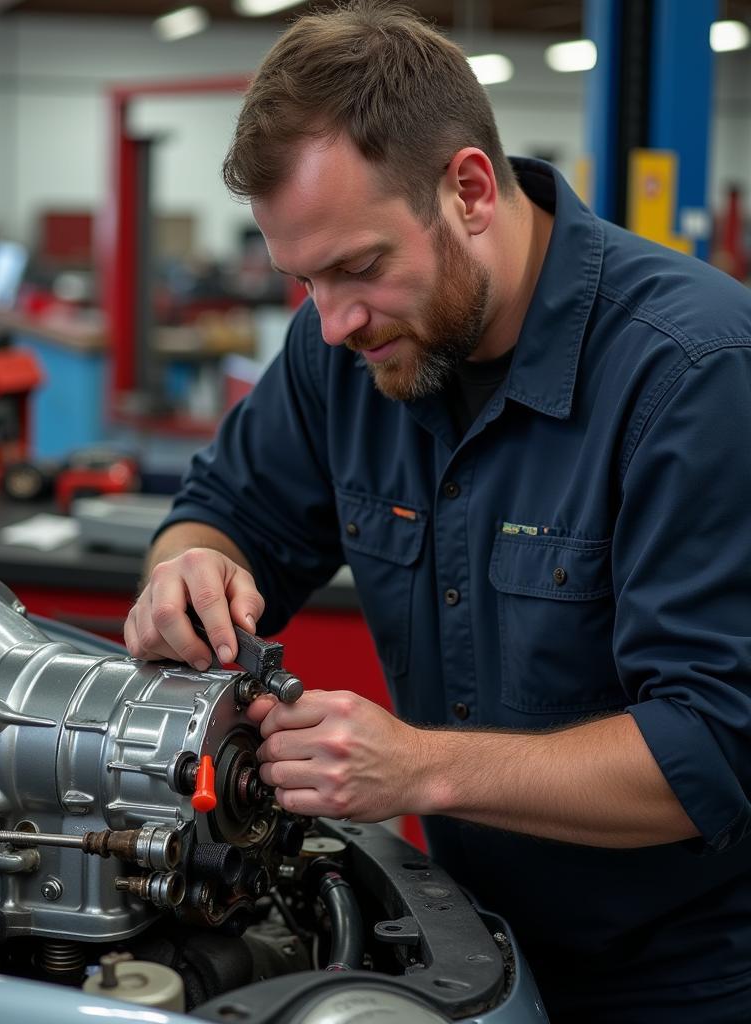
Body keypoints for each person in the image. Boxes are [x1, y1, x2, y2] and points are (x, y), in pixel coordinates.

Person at [125, 3, 751, 1021]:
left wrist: (416, 767)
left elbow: (712, 754)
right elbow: (222, 510)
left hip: (680, 981)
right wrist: (186, 568)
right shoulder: (344, 348)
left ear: (466, 189)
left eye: (361, 267)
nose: (332, 321)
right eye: (304, 280)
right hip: (465, 942)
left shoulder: (694, 374)